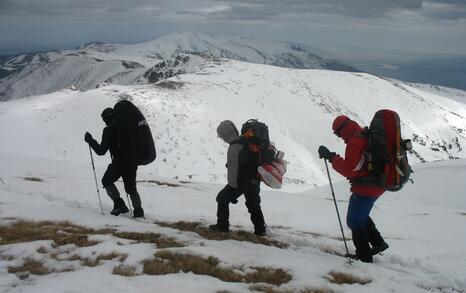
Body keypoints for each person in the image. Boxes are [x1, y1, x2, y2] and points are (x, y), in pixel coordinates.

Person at [318, 115, 389, 263]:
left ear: (342, 130)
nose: (339, 137)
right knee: (360, 215)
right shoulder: (364, 134)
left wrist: (332, 157)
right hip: (378, 183)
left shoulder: (355, 142)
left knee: (354, 221)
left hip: (366, 187)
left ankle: (364, 258)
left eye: (338, 134)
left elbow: (350, 170)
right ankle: (378, 243)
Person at [209, 120, 267, 236]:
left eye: (222, 136)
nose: (222, 139)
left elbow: (234, 171)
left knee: (221, 199)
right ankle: (260, 229)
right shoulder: (246, 141)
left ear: (226, 134)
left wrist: (232, 190)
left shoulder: (234, 147)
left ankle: (222, 226)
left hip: (242, 182)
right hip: (255, 179)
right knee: (253, 204)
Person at [84, 108, 144, 218]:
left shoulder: (108, 130)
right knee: (131, 188)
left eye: (104, 119)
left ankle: (119, 205)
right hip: (132, 162)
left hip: (119, 162)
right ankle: (139, 213)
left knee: (106, 180)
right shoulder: (127, 127)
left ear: (107, 118)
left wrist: (90, 140)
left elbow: (101, 151)